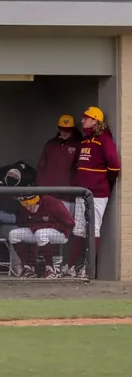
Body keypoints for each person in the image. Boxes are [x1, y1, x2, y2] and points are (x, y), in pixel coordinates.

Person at [65, 106, 120, 278]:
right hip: (83, 192)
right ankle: (71, 266)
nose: (82, 121)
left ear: (95, 120)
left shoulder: (104, 139)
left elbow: (114, 165)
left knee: (93, 230)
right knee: (79, 230)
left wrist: (102, 180)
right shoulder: (86, 140)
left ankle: (88, 269)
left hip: (97, 193)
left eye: (86, 118)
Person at [10, 193, 74, 279]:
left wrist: (49, 226)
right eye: (26, 206)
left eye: (30, 205)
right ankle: (28, 268)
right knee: (14, 234)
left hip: (61, 233)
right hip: (37, 231)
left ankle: (50, 269)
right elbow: (26, 223)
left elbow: (70, 223)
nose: (28, 208)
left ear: (35, 201)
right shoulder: (25, 209)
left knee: (40, 233)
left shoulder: (51, 203)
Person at [37, 115, 81, 188]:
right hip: (49, 189)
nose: (65, 132)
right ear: (59, 129)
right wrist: (41, 186)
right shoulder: (50, 144)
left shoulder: (77, 146)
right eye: (62, 129)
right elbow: (41, 166)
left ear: (72, 130)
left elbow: (79, 169)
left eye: (68, 130)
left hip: (68, 190)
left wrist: (74, 186)